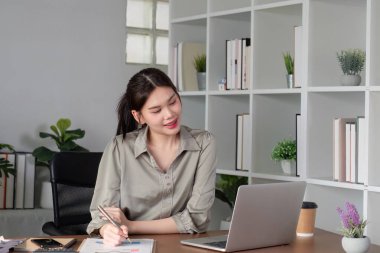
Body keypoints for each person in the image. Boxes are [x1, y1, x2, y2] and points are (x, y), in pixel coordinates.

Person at [87, 68, 217, 246]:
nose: (169, 114)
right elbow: (102, 216)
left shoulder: (204, 143)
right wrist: (107, 230)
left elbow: (197, 218)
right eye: (156, 110)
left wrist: (131, 226)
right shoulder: (119, 148)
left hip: (183, 247)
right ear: (138, 116)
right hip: (131, 247)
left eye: (172, 102)